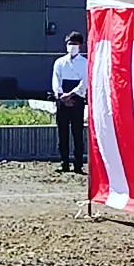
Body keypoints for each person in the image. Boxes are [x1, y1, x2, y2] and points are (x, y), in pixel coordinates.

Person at [52, 31, 88, 174]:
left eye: (75, 44)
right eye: (69, 43)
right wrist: (61, 95)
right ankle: (64, 162)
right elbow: (56, 80)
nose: (71, 46)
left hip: (77, 99)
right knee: (62, 132)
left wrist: (71, 94)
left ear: (80, 45)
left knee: (77, 133)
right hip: (62, 100)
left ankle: (78, 164)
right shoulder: (60, 62)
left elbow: (84, 82)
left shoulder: (85, 63)